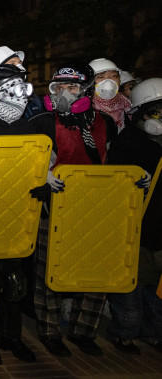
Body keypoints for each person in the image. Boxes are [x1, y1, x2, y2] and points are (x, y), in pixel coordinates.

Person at [0, 64, 54, 365]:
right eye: (14, 86)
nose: (22, 93)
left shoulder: (26, 126)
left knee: (16, 282)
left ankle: (11, 336)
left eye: (23, 85)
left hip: (17, 214)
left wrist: (43, 185)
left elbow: (34, 164)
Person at [33, 63, 116, 358]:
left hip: (96, 206)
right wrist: (41, 178)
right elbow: (31, 161)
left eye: (72, 88)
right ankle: (49, 331)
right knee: (49, 271)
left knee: (96, 270)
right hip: (54, 206)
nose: (64, 94)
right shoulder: (42, 121)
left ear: (87, 91)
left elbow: (114, 162)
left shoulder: (107, 123)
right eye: (58, 88)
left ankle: (83, 330)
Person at [105, 78, 162, 355]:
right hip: (133, 223)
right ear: (139, 114)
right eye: (155, 112)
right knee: (131, 281)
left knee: (156, 284)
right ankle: (124, 332)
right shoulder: (127, 141)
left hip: (159, 226)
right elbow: (114, 179)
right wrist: (133, 178)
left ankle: (155, 332)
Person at [89, 58, 130, 134]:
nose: (109, 81)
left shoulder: (126, 102)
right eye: (101, 77)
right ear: (90, 81)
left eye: (114, 76)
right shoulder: (87, 106)